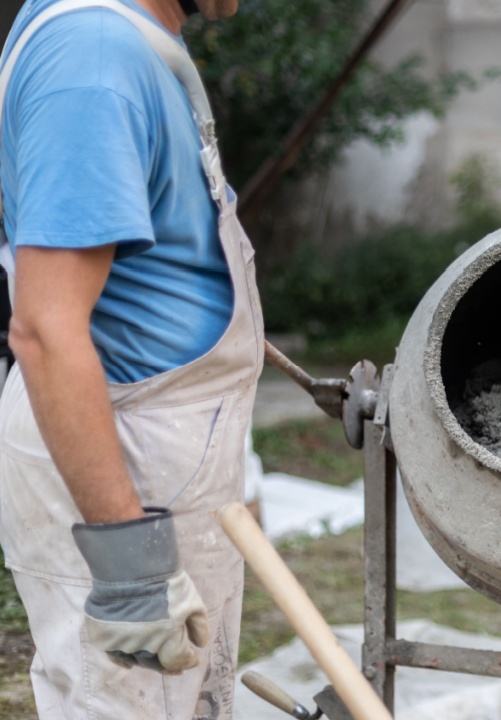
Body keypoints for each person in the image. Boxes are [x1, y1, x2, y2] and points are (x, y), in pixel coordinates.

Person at [0, 0, 261, 717]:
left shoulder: (133, 46)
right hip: (123, 460)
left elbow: (152, 269)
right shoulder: (93, 57)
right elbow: (47, 328)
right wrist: (131, 573)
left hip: (156, 445)